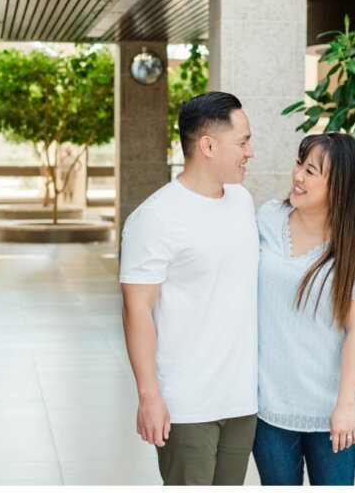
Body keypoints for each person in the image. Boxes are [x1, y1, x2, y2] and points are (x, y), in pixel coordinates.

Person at [120, 91, 259, 486]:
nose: (250, 152)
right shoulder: (155, 218)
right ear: (208, 145)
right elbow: (137, 311)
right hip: (187, 403)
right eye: (243, 141)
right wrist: (149, 396)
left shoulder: (241, 200)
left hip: (241, 400)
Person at [252, 133, 355, 486]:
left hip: (331, 412)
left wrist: (345, 406)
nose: (298, 176)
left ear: (341, 185)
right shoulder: (268, 218)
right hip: (269, 407)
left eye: (311, 171)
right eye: (300, 163)